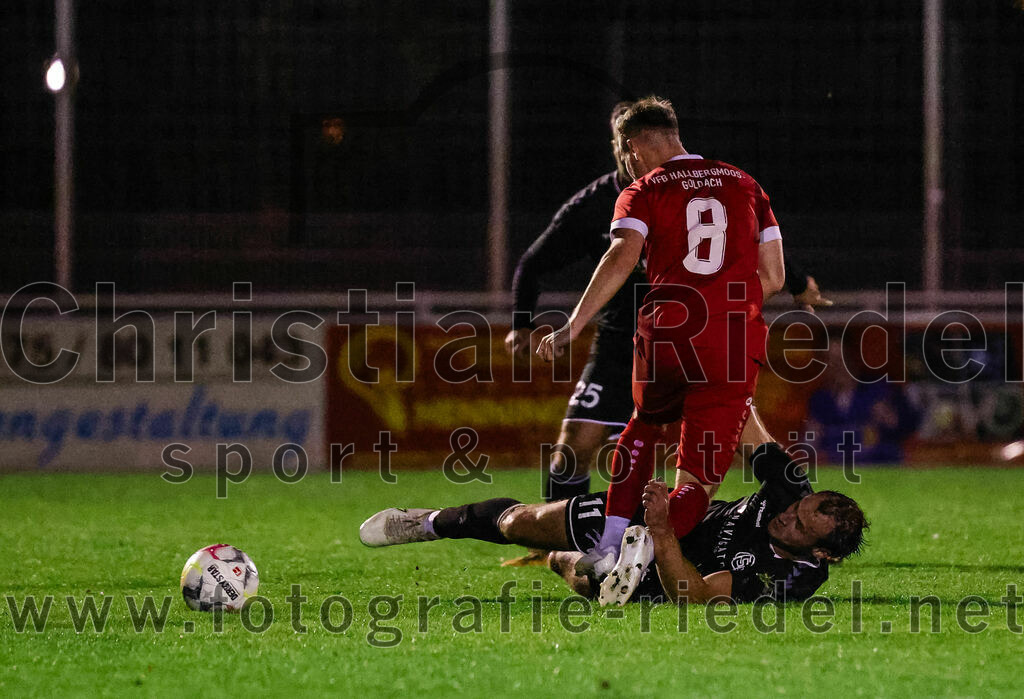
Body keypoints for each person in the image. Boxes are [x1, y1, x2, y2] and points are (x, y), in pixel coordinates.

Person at [505, 102, 832, 567]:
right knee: (703, 471)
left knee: (644, 426)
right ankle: (658, 545)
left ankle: (607, 541)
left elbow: (619, 256)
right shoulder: (743, 182)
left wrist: (570, 326)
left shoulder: (642, 190)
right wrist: (729, 302)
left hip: (661, 338)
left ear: (634, 144)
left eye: (625, 148)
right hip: (725, 341)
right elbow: (773, 275)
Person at [358, 442, 869, 605]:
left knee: (587, 578)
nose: (787, 514)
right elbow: (749, 426)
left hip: (666, 561)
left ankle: (561, 559)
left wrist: (662, 531)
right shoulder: (793, 492)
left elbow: (692, 594)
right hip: (663, 514)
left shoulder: (793, 579)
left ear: (822, 554)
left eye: (800, 528)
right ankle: (425, 523)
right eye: (797, 508)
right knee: (518, 522)